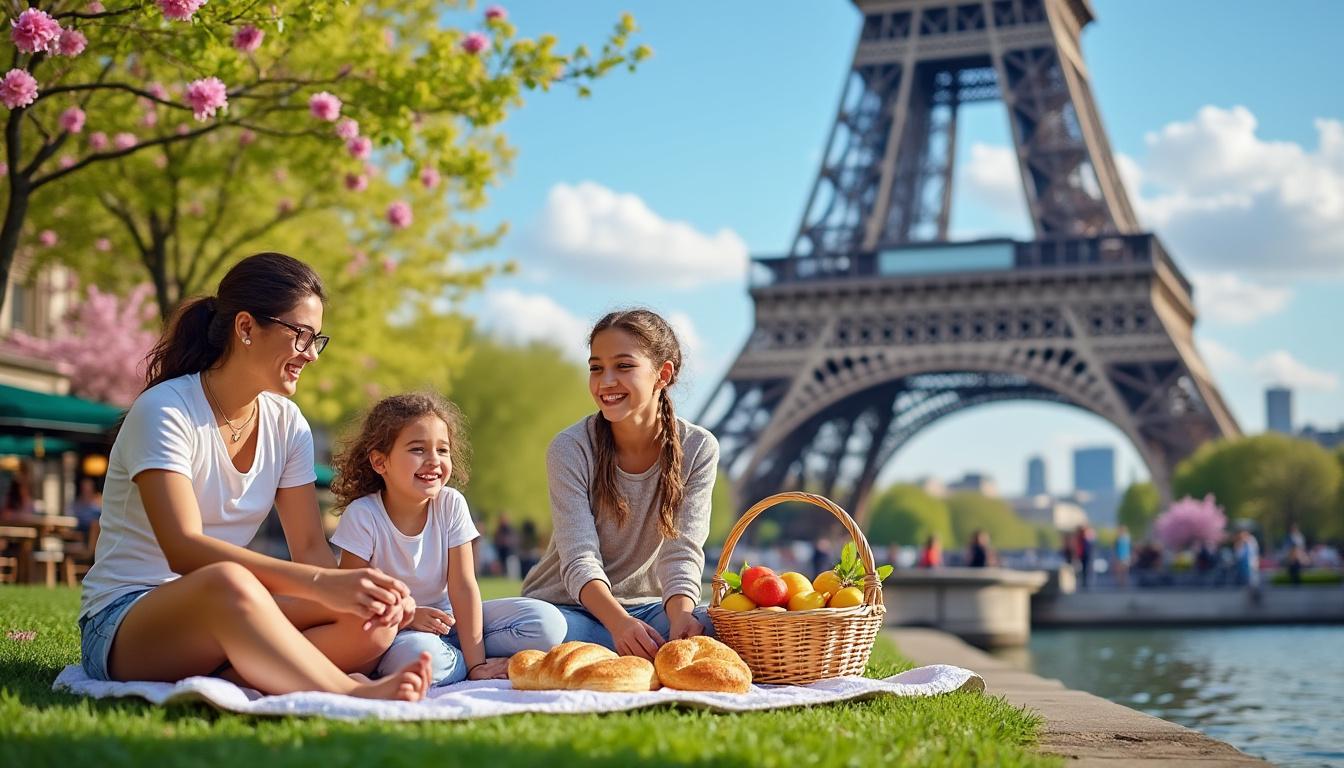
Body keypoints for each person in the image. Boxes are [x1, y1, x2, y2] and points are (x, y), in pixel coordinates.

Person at [77, 252, 431, 701]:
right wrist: (323, 586)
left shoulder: (288, 424)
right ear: (245, 327)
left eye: (316, 339)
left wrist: (359, 593)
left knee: (371, 620)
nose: (311, 354)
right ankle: (348, 692)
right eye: (300, 335)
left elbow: (308, 548)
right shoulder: (165, 410)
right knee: (229, 581)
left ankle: (240, 675)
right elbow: (183, 549)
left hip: (234, 604)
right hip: (126, 621)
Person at [521, 309, 718, 660]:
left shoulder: (698, 447)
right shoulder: (570, 448)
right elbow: (579, 558)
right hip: (567, 607)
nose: (605, 381)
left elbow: (682, 552)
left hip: (648, 609)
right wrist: (619, 624)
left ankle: (591, 655)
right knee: (541, 627)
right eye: (596, 367)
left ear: (663, 374)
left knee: (717, 623)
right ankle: (622, 649)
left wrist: (681, 619)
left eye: (623, 366)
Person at [329, 393, 565, 686]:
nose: (433, 461)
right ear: (380, 462)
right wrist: (409, 616)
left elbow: (464, 587)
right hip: (399, 632)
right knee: (420, 657)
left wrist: (477, 662)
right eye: (417, 449)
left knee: (547, 623)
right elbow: (353, 598)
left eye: (442, 450)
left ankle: (462, 659)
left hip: (450, 622)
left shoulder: (450, 503)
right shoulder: (363, 515)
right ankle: (448, 662)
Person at [493, 513, 518, 579]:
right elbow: (496, 540)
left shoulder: (510, 530)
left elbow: (514, 540)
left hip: (509, 553)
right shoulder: (499, 530)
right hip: (501, 553)